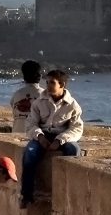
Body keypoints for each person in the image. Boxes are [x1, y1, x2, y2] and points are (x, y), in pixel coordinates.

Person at [20, 69, 83, 208]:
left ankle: (70, 192)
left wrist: (60, 140)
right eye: (47, 82)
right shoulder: (38, 102)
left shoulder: (72, 105)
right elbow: (30, 124)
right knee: (30, 153)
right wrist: (40, 137)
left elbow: (77, 128)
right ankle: (27, 195)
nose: (48, 85)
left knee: (74, 151)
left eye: (52, 83)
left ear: (62, 85)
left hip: (62, 136)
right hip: (42, 134)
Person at [10, 60, 43, 135]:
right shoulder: (46, 95)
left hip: (16, 133)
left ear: (24, 76)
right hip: (37, 137)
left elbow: (12, 106)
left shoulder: (17, 94)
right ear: (39, 76)